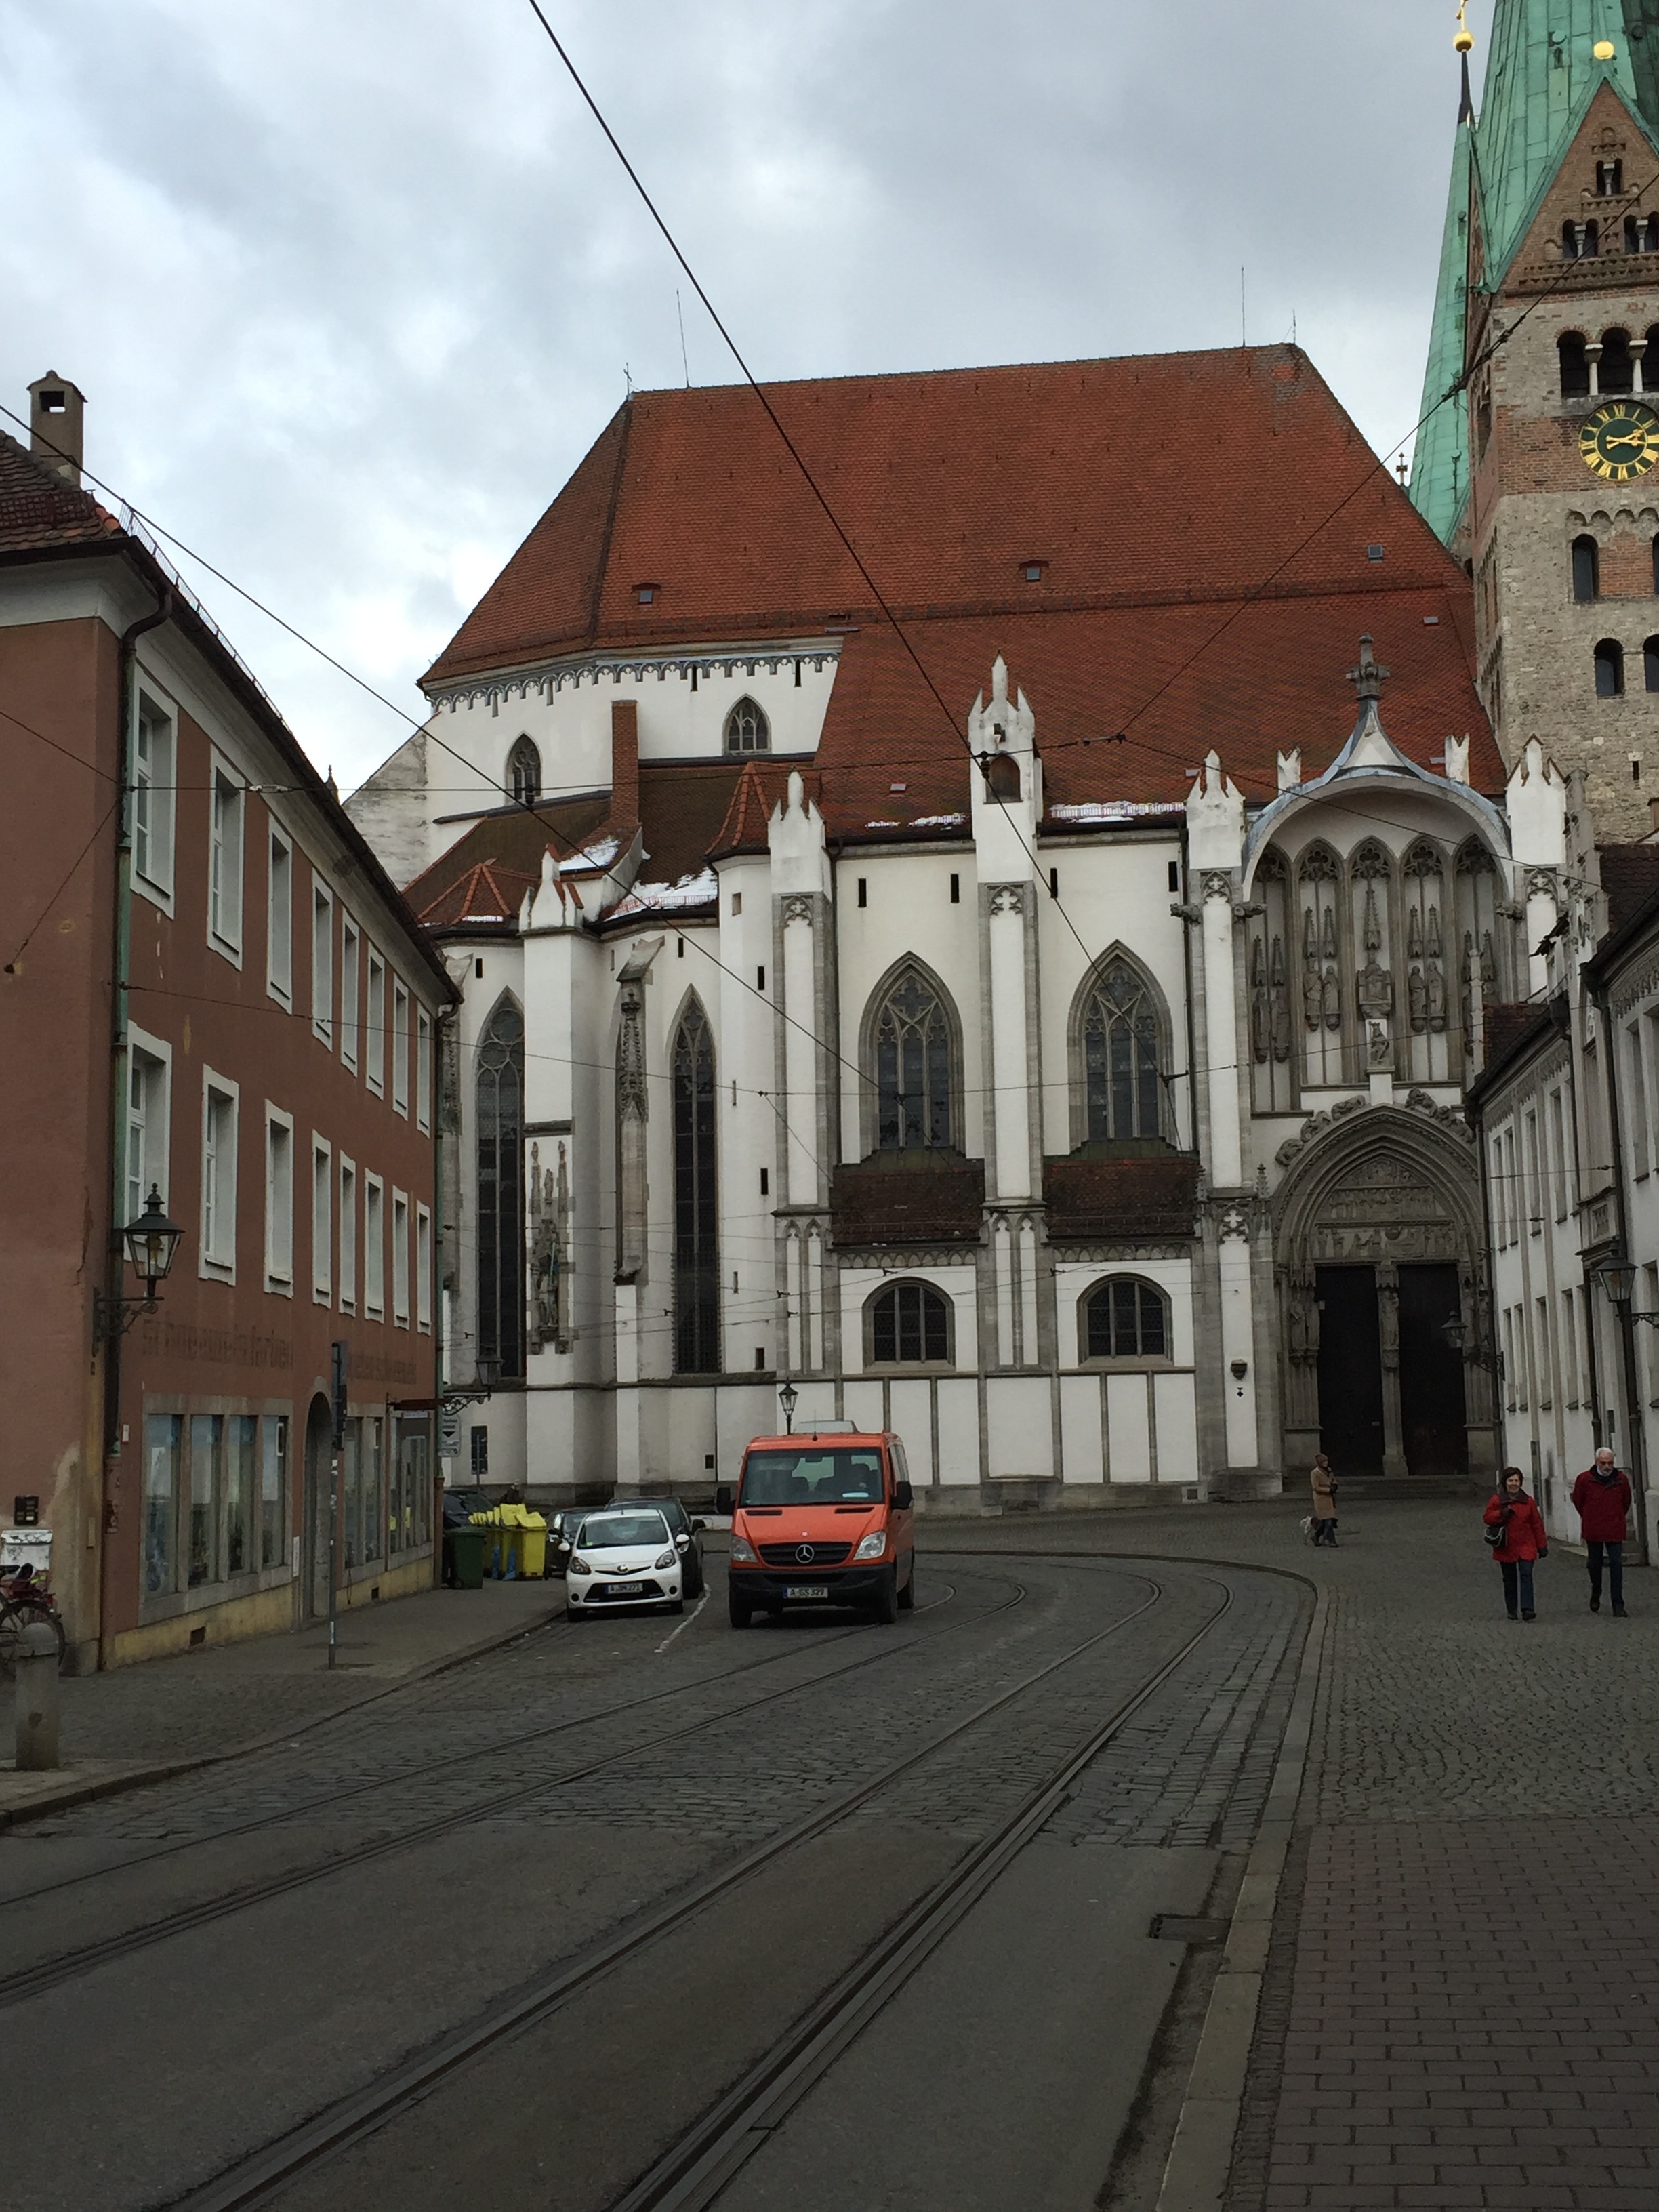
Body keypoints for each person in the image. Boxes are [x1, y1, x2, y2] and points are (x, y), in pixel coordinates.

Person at [1571, 1446, 1632, 1618]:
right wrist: (1589, 1516)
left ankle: (1618, 1604)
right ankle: (1596, 1591)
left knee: (1616, 1565)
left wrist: (1617, 1516)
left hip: (1614, 1527)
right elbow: (1578, 1501)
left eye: (1610, 1463)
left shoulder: (1621, 1479)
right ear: (1597, 1462)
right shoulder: (1585, 1479)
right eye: (1604, 1463)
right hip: (1594, 1528)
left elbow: (1626, 1501)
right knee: (1595, 1564)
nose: (1607, 1467)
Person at [1484, 1466, 1547, 1621]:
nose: (1514, 1484)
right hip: (1506, 1545)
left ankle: (1528, 1608)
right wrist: (1501, 1513)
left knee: (1526, 1575)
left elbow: (1537, 1524)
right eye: (1511, 1481)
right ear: (1505, 1483)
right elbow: (1487, 1518)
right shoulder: (1497, 1501)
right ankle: (1512, 1609)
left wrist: (1542, 1545)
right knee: (1509, 1578)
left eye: (1516, 1481)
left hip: (1526, 1544)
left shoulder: (1529, 1502)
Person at [1309, 1453, 1338, 1547]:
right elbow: (1316, 1487)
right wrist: (1328, 1490)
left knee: (1324, 1521)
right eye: (1324, 1461)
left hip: (1329, 1498)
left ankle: (1316, 1535)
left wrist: (1335, 1485)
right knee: (1328, 1521)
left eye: (1326, 1461)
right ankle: (1331, 1540)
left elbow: (1333, 1479)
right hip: (1321, 1499)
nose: (1326, 1463)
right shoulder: (1315, 1473)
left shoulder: (1329, 1471)